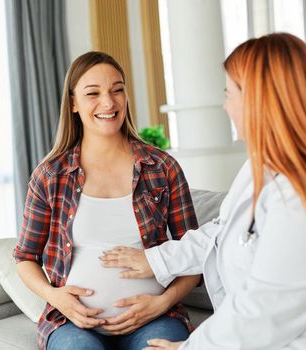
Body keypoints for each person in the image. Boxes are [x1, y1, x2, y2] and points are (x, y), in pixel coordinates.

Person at [100, 33, 306, 349]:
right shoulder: (259, 169)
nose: (225, 106)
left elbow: (263, 313)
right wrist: (155, 260)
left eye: (230, 94)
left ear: (259, 100)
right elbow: (221, 233)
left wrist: (190, 348)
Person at [13, 51, 201, 350]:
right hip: (73, 323)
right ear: (73, 103)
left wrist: (161, 302)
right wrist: (56, 297)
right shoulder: (51, 176)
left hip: (155, 317)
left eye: (117, 89)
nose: (108, 102)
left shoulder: (162, 168)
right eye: (93, 93)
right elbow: (25, 258)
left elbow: (194, 255)